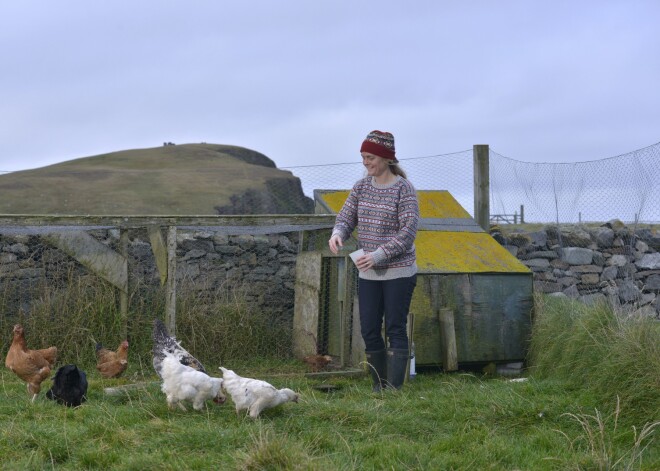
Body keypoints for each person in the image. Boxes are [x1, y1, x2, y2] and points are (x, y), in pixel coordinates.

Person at [328, 130, 419, 391]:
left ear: (386, 158)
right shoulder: (361, 187)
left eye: (370, 157)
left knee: (395, 327)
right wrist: (337, 234)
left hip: (399, 272)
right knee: (368, 328)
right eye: (363, 157)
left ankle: (394, 388)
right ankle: (379, 385)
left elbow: (408, 231)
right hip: (367, 272)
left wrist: (379, 255)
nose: (366, 162)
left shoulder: (404, 189)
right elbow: (346, 217)